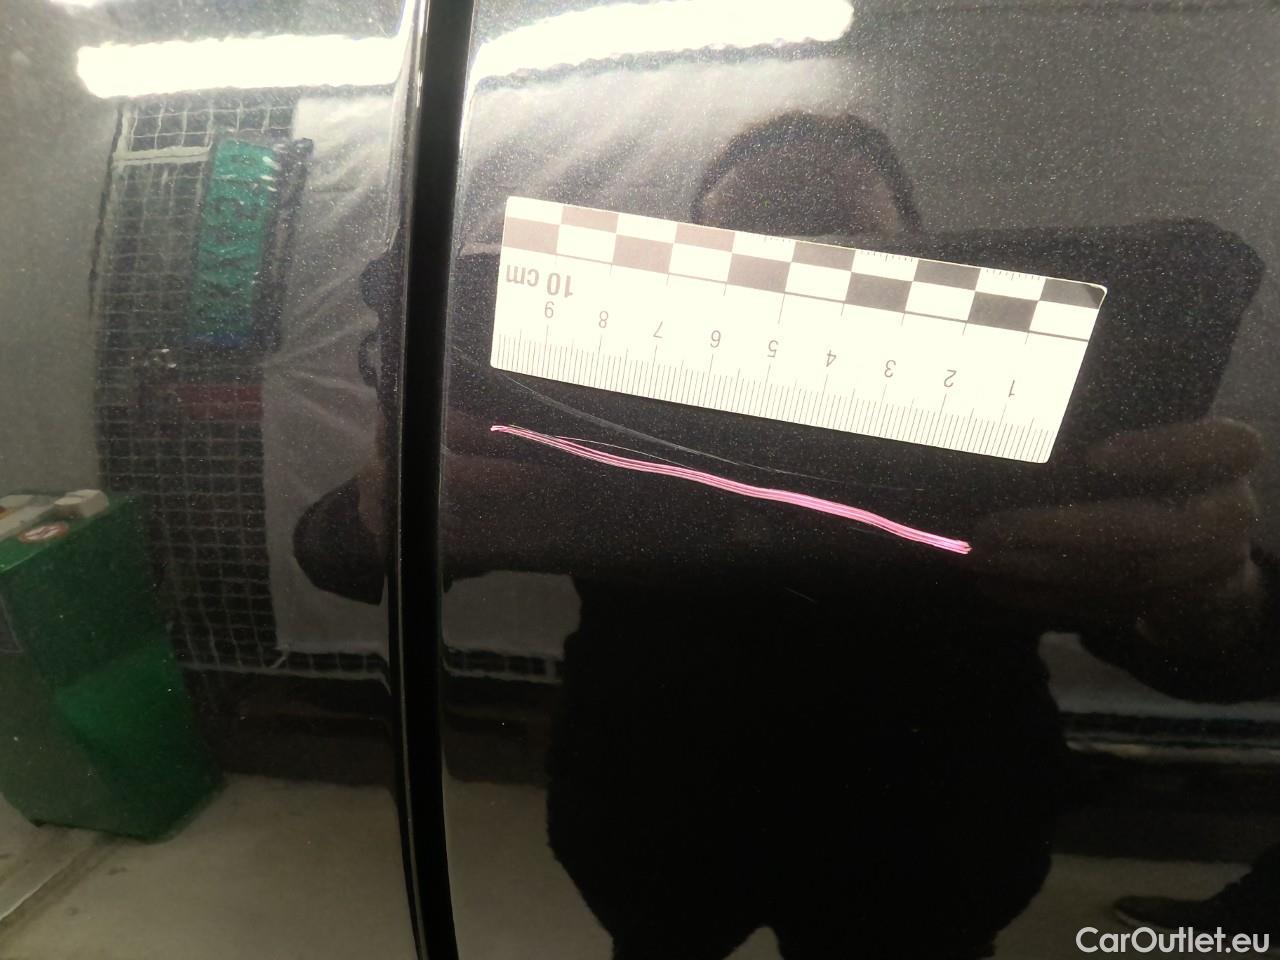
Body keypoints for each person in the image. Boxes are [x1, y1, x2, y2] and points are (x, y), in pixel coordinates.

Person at [296, 112, 1280, 959]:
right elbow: (330, 552)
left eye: (837, 240)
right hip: (656, 826)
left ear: (929, 259)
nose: (795, 275)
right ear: (690, 266)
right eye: (747, 246)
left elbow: (1238, 657)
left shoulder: (1016, 391)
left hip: (927, 841)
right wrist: (382, 509)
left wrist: (1211, 587)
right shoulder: (603, 383)